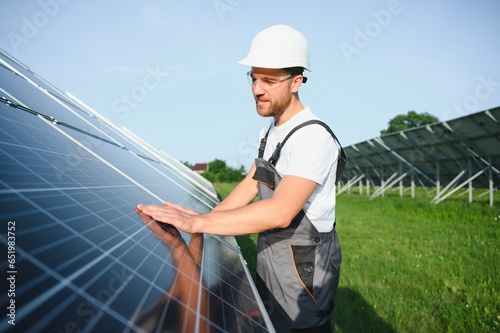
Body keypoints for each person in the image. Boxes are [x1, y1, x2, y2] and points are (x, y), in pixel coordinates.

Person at [137, 24, 345, 333]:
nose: (258, 89)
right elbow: (251, 184)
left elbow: (280, 211)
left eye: (270, 81)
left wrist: (200, 224)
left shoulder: (312, 136)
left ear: (297, 82)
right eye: (254, 78)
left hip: (305, 265)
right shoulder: (271, 130)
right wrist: (206, 218)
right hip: (274, 251)